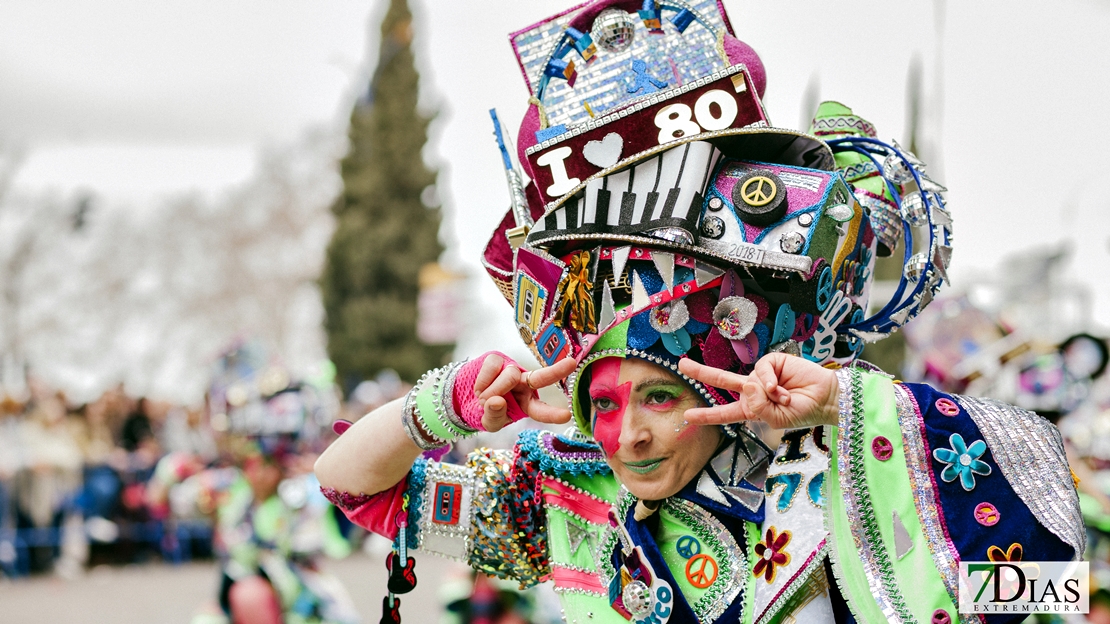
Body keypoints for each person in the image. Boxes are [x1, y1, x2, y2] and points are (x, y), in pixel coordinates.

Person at [316, 2, 1084, 622]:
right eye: (605, 402)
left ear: (721, 387)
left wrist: (852, 407)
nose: (630, 434)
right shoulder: (567, 501)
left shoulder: (835, 466)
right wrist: (448, 402)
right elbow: (354, 484)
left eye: (659, 396)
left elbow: (1050, 583)